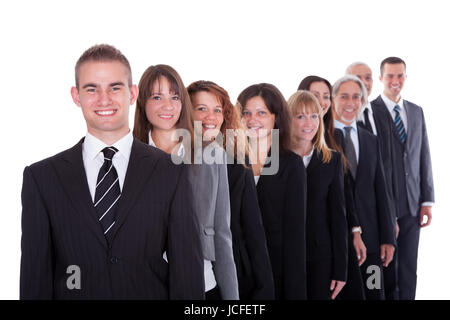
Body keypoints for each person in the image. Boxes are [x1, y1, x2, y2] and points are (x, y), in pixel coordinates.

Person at [20, 44, 204, 299]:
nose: (104, 99)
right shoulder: (41, 178)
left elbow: (187, 274)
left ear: (132, 94)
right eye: (92, 89)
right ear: (76, 96)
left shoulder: (171, 172)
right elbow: (35, 277)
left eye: (115, 88)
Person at [133, 65, 238, 300]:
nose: (167, 105)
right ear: (142, 102)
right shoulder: (126, 157)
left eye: (175, 96)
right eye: (157, 96)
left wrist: (232, 299)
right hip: (143, 286)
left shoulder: (212, 155)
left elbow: (222, 232)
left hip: (202, 285)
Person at [187, 80, 274, 300]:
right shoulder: (171, 159)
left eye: (218, 110)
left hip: (232, 272)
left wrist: (265, 288)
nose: (211, 117)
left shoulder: (236, 161)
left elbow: (253, 228)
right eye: (202, 109)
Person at [371, 57, 434, 300]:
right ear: (381, 78)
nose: (395, 81)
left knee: (409, 268)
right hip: (383, 206)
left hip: (412, 204)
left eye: (400, 76)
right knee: (383, 270)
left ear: (405, 78)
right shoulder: (369, 112)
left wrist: (427, 200)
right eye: (390, 76)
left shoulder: (416, 112)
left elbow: (423, 156)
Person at [237, 83, 307, 299]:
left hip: (275, 268)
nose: (252, 119)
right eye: (246, 113)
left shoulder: (291, 164)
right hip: (237, 269)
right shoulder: (231, 161)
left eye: (261, 113)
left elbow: (295, 235)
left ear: (276, 118)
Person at [331, 75, 396, 300]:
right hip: (338, 239)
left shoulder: (370, 140)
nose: (351, 103)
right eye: (344, 97)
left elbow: (381, 189)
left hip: (372, 241)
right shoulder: (324, 138)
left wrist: (388, 237)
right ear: (333, 99)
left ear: (363, 101)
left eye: (356, 97)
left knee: (374, 291)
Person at [287, 90, 348, 300]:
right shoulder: (274, 159)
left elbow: (338, 217)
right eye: (300, 116)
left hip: (321, 257)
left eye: (314, 116)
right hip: (284, 256)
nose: (309, 123)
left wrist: (341, 269)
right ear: (289, 118)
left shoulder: (331, 160)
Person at [347, 61, 399, 300]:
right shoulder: (327, 132)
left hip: (374, 231)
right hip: (344, 234)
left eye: (368, 78)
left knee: (375, 286)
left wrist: (388, 229)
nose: (363, 83)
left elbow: (382, 182)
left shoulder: (379, 119)